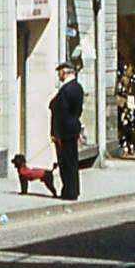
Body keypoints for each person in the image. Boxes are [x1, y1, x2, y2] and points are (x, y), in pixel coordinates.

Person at [50, 62, 85, 202]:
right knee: (73, 161)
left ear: (65, 73)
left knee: (65, 162)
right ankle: (74, 190)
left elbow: (61, 114)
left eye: (60, 73)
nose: (59, 75)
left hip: (63, 132)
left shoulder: (65, 90)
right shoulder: (78, 88)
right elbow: (78, 111)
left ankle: (68, 191)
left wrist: (56, 134)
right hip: (73, 128)